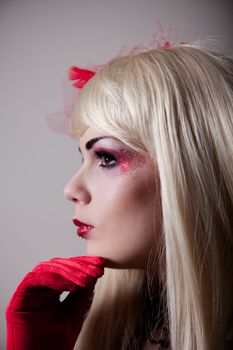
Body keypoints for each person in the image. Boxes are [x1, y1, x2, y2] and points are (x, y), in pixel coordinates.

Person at [6, 44, 233, 350]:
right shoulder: (108, 321)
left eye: (106, 159)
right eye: (83, 158)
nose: (71, 190)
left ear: (189, 170)